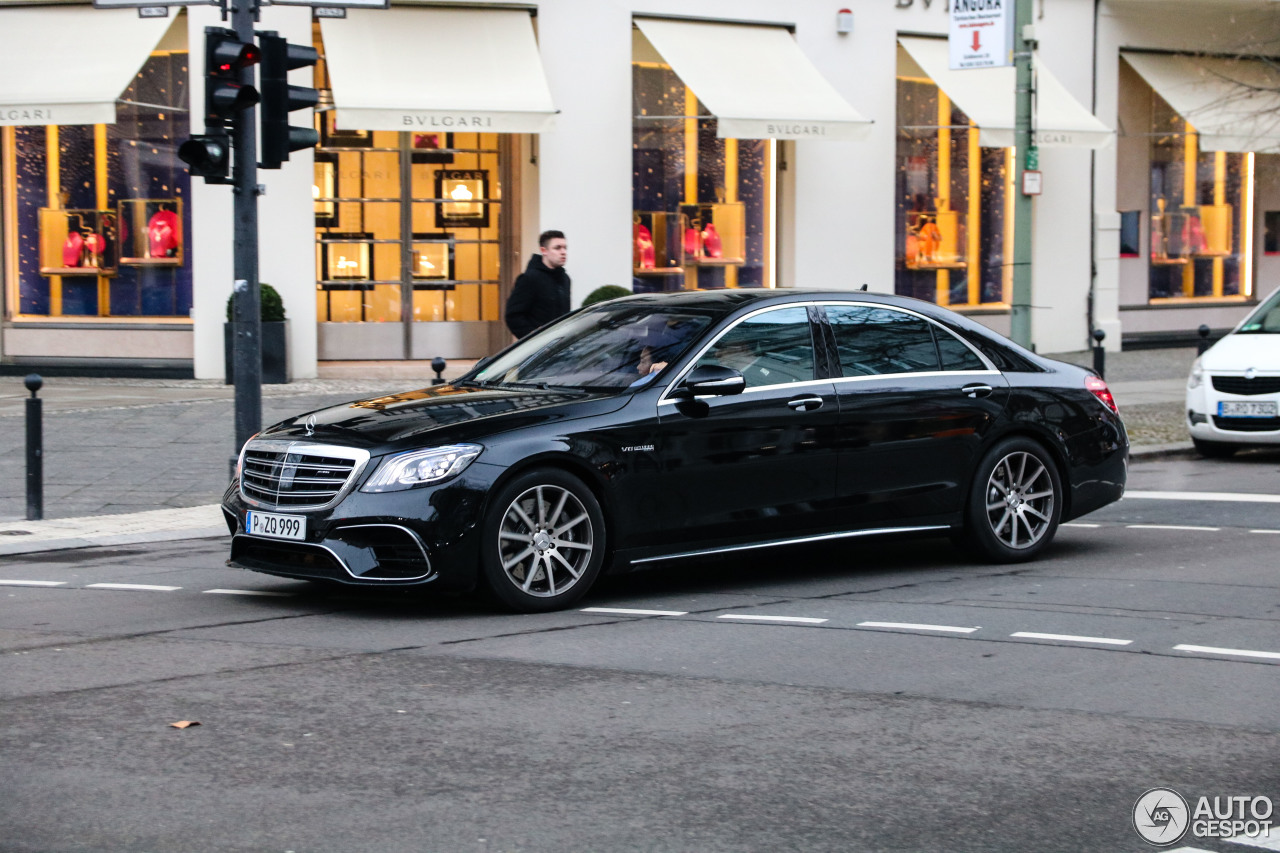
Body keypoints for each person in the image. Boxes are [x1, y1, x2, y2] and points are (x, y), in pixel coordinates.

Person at [505, 230, 570, 339]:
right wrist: (533, 337)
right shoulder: (529, 278)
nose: (563, 252)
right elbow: (514, 315)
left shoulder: (565, 279)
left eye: (565, 248)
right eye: (557, 248)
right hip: (539, 347)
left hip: (561, 344)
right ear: (544, 250)